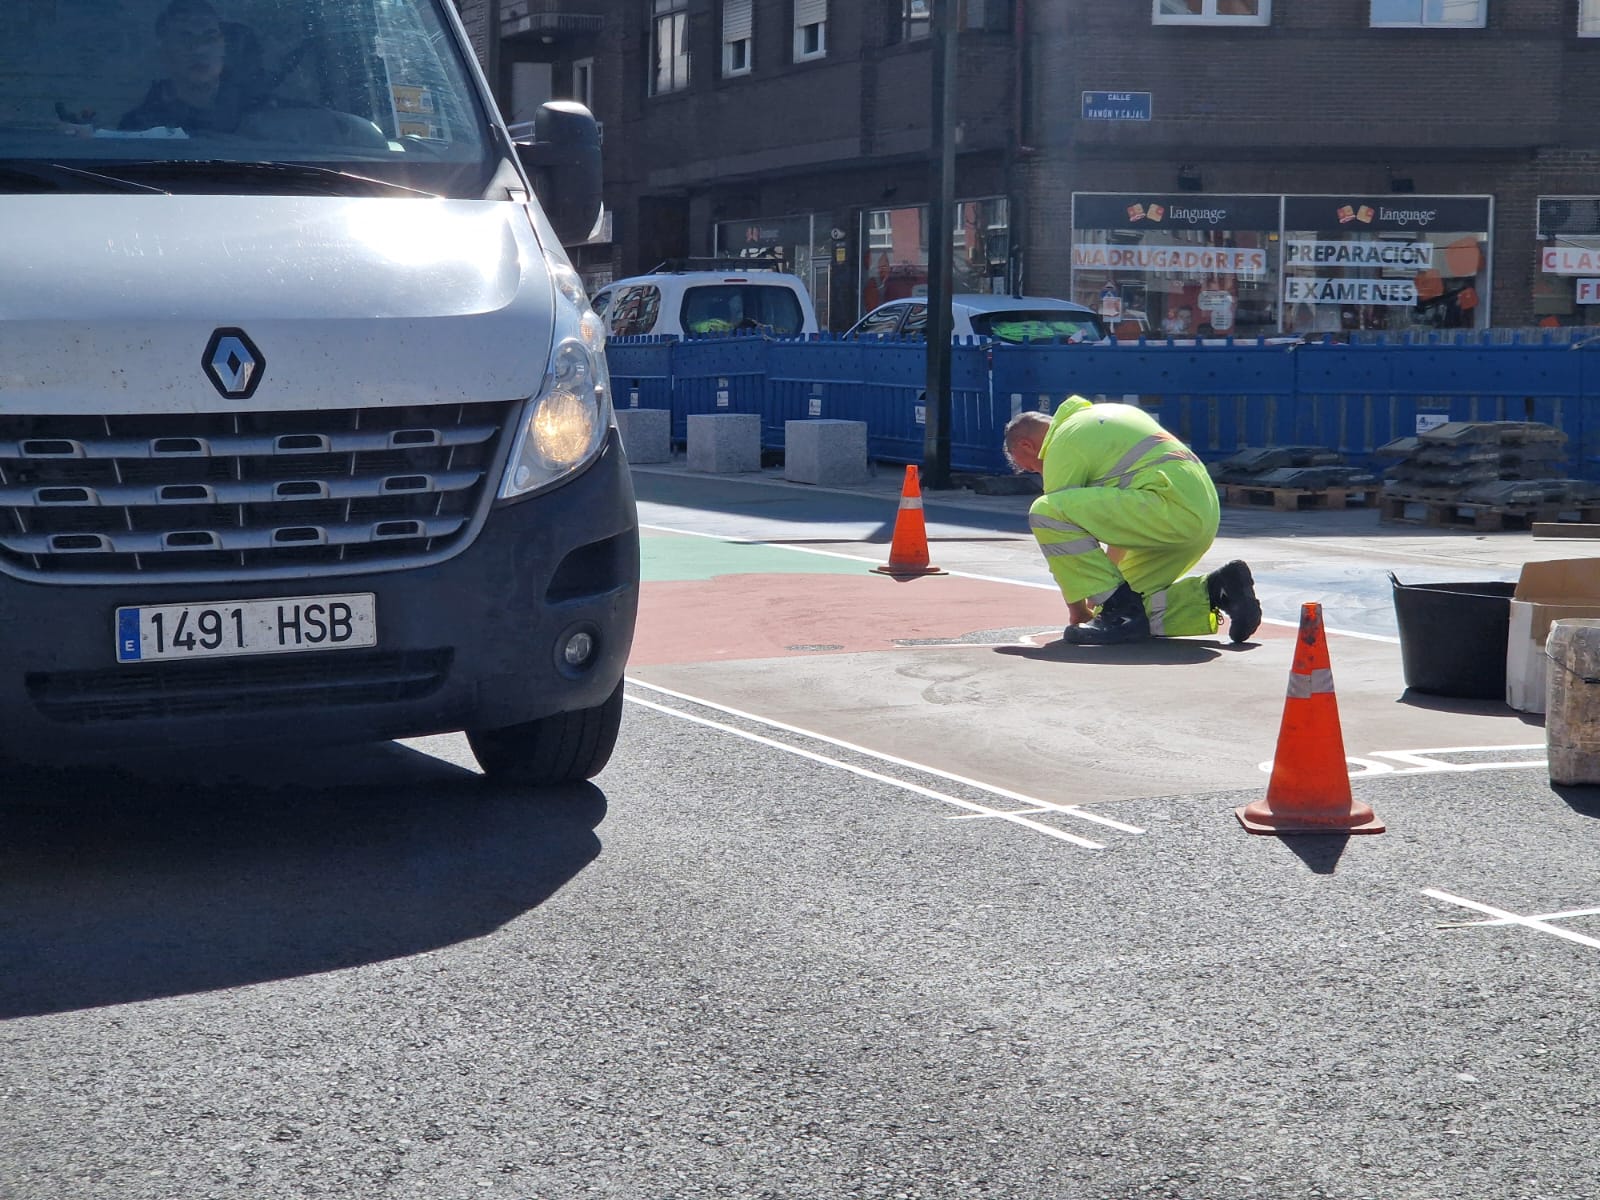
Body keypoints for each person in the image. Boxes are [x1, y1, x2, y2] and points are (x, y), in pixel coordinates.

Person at [1002, 398, 1261, 646]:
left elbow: (1060, 525)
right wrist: (1105, 596)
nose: (1039, 473)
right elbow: (1120, 526)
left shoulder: (1062, 442)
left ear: (1026, 446)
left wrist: (1079, 611)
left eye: (1033, 468)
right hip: (1198, 512)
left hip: (1167, 506)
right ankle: (1220, 589)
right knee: (1131, 607)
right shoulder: (1108, 417)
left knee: (1046, 511)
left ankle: (1121, 613)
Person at [119, 0, 264, 134]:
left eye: (210, 37)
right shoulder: (138, 127)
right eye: (185, 38)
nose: (198, 49)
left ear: (223, 48)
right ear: (164, 51)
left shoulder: (261, 114)